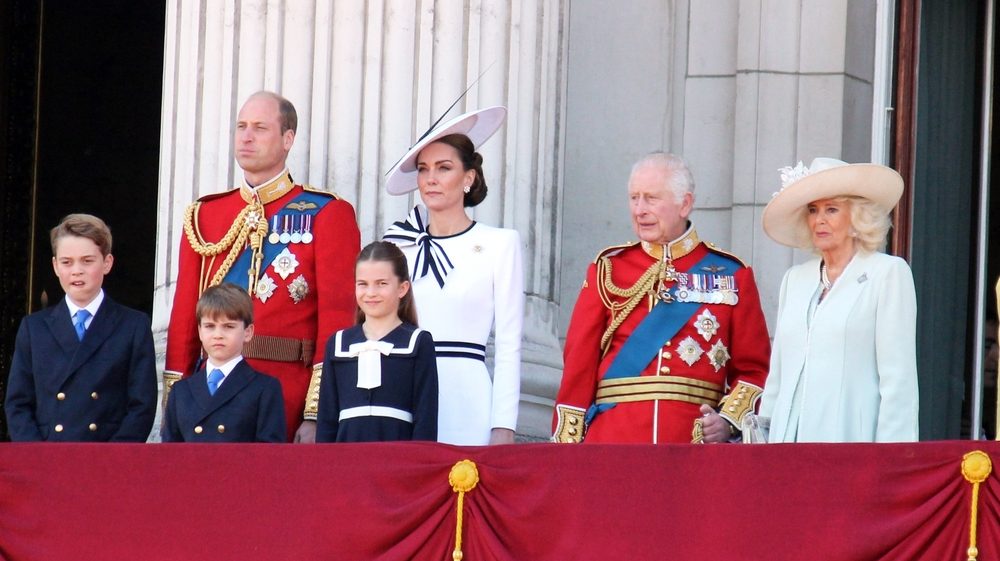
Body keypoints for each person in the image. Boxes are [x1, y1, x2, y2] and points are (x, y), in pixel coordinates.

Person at [164, 91, 360, 442]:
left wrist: (315, 412)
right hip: (208, 398)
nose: (246, 137)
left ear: (288, 139)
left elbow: (337, 320)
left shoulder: (327, 213)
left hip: (287, 394)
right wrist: (175, 401)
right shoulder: (205, 215)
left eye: (259, 127)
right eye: (241, 127)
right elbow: (183, 319)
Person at [552, 153, 770, 444]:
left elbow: (754, 369)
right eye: (634, 198)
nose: (639, 210)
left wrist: (728, 420)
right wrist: (566, 447)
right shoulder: (608, 270)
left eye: (651, 198)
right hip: (612, 442)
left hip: (692, 443)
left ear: (685, 203)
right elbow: (579, 365)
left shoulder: (733, 274)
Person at [383, 106, 523, 445]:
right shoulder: (397, 244)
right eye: (423, 169)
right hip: (403, 391)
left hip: (468, 399)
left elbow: (508, 344)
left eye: (444, 168)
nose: (431, 178)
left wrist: (503, 424)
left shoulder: (499, 244)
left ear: (468, 177)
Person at [757, 157, 918, 442]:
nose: (819, 219)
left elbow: (898, 381)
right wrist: (762, 440)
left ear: (857, 218)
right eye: (813, 210)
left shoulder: (887, 274)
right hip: (785, 446)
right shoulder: (795, 280)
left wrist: (893, 461)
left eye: (831, 209)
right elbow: (777, 378)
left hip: (850, 442)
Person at [5, 214, 157, 441]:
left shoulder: (133, 325)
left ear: (107, 263)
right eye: (67, 262)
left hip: (106, 461)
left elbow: (141, 406)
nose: (76, 270)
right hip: (47, 459)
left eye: (87, 261)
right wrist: (36, 457)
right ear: (56, 266)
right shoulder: (33, 328)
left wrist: (113, 458)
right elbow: (18, 404)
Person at [316, 242, 438, 442]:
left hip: (399, 462)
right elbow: (327, 421)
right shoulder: (338, 344)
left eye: (382, 283)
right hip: (346, 462)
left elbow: (426, 419)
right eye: (362, 284)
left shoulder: (418, 342)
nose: (371, 292)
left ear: (402, 288)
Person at [162, 283, 285, 442]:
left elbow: (270, 454)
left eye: (228, 326)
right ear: (200, 331)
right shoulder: (180, 391)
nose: (218, 335)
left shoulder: (265, 388)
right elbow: (169, 455)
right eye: (209, 326)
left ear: (248, 332)